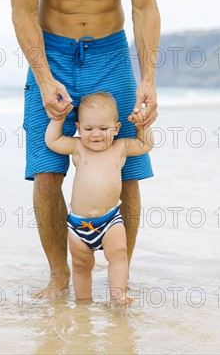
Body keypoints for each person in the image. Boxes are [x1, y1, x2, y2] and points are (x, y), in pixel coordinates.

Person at [8, 0, 160, 298]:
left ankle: (120, 281)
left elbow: (144, 7)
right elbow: (21, 10)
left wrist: (149, 78)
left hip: (111, 55)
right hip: (51, 53)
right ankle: (59, 277)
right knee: (48, 171)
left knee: (128, 173)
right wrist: (43, 75)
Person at [45, 92, 154, 306]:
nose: (96, 134)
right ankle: (83, 303)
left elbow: (145, 145)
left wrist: (143, 127)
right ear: (78, 127)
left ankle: (118, 295)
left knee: (118, 255)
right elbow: (53, 141)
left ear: (117, 128)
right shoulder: (78, 148)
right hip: (78, 225)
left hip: (110, 220)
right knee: (80, 265)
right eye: (88, 129)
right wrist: (57, 120)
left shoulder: (120, 147)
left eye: (104, 129)